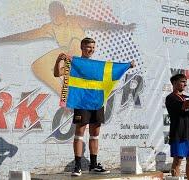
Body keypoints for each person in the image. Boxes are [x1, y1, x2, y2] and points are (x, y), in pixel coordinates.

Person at [0, 1, 135, 96]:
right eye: (53, 14)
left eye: (58, 13)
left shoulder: (75, 20)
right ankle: (64, 94)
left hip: (80, 53)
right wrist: (3, 39)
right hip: (66, 54)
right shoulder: (50, 27)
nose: (56, 17)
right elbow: (26, 35)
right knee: (37, 66)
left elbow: (98, 24)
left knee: (72, 47)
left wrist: (122, 27)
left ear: (63, 12)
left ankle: (74, 84)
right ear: (51, 15)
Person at [54, 37, 135, 176]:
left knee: (95, 135)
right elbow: (57, 73)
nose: (90, 50)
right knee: (79, 134)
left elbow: (113, 70)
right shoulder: (74, 64)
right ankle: (77, 166)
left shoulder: (97, 66)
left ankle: (93, 165)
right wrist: (58, 61)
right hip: (82, 103)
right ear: (81, 47)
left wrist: (127, 65)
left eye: (92, 47)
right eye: (88, 47)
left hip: (97, 103)